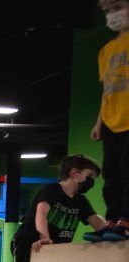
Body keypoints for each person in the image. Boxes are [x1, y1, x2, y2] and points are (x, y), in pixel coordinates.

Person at [7, 155, 108, 262]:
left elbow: (95, 219)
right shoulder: (52, 190)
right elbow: (41, 213)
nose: (91, 181)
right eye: (89, 175)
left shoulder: (80, 201)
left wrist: (112, 230)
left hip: (56, 250)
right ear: (75, 173)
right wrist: (44, 237)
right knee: (26, 234)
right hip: (30, 245)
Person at [92, 1, 129, 238]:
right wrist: (98, 122)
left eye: (117, 7)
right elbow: (107, 90)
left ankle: (126, 220)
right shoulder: (106, 50)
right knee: (111, 174)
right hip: (109, 121)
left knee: (128, 172)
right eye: (107, 11)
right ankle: (113, 219)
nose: (112, 15)